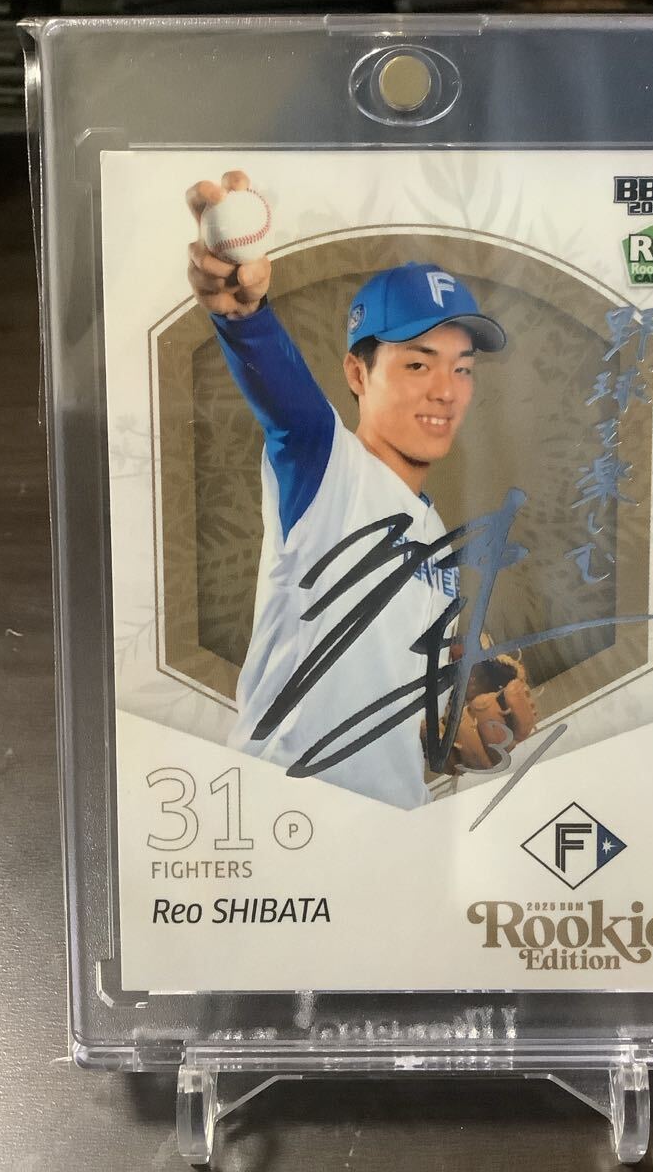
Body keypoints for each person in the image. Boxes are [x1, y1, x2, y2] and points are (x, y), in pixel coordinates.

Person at [186, 170, 532, 809]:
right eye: (419, 363)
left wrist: (469, 699)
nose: (446, 391)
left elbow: (418, 701)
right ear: (357, 372)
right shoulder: (328, 466)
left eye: (462, 369)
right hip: (285, 810)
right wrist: (242, 316)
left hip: (390, 826)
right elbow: (288, 405)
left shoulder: (434, 534)